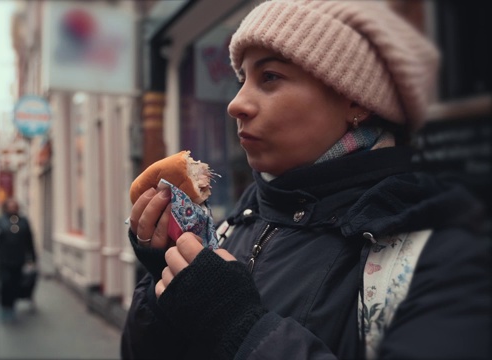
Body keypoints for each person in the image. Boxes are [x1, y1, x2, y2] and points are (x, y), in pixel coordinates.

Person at [121, 1, 491, 359]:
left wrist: (241, 328)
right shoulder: (238, 223)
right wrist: (163, 277)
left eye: (270, 77)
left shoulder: (447, 255)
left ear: (355, 101)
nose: (235, 104)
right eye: (242, 79)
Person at [0, 198, 37, 322]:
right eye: (10, 206)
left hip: (19, 259)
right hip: (3, 259)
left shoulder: (23, 222)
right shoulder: (0, 221)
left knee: (15, 283)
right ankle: (5, 307)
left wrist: (32, 258)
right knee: (5, 283)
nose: (13, 209)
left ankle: (11, 305)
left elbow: (29, 241)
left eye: (15, 206)